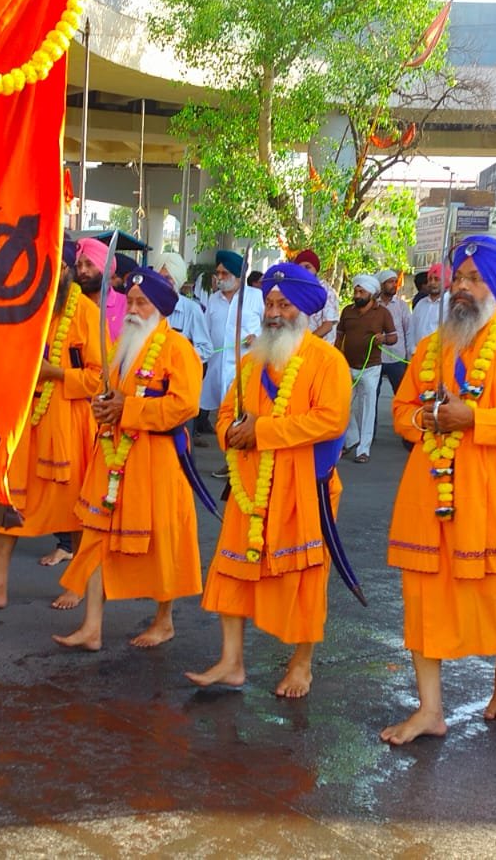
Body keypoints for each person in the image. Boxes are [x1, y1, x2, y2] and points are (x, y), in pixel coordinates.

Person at [380, 236, 496, 745]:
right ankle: (429, 709)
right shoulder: (428, 348)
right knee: (423, 597)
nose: (461, 287)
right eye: (458, 278)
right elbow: (401, 412)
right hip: (428, 492)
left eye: (474, 279)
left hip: (494, 492)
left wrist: (476, 419)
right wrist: (427, 418)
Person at [186, 262, 352, 697]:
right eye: (270, 304)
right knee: (232, 571)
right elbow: (226, 414)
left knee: (304, 581)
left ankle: (301, 665)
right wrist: (231, 433)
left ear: (306, 310)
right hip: (250, 487)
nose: (274, 313)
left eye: (285, 305)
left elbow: (331, 421)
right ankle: (231, 661)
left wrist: (262, 431)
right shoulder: (251, 361)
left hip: (305, 489)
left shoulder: (328, 361)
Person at [54, 270, 204, 650]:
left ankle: (164, 621)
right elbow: (107, 391)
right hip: (113, 456)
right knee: (95, 535)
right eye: (131, 302)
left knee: (162, 542)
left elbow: (184, 406)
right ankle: (92, 627)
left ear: (160, 308)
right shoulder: (122, 345)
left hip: (158, 460)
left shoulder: (178, 349)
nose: (133, 310)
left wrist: (129, 409)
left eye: (142, 303)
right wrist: (103, 408)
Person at [0, 272, 102, 609]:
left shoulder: (86, 312)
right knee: (6, 499)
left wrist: (56, 373)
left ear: (67, 270)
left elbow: (99, 379)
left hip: (67, 422)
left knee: (76, 508)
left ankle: (77, 585)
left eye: (58, 265)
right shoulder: (24, 306)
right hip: (24, 418)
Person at [201, 250, 264, 470]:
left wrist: (258, 338)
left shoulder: (256, 297)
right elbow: (206, 332)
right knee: (225, 417)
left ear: (238, 275)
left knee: (244, 417)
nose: (219, 277)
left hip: (246, 369)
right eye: (217, 273)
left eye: (224, 273)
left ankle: (242, 466)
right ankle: (231, 463)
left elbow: (271, 327)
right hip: (218, 369)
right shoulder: (213, 299)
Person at [334, 273, 398, 464]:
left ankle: (364, 449)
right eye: (356, 291)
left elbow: (393, 337)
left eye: (361, 292)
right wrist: (336, 357)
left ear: (371, 293)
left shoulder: (383, 313)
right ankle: (352, 439)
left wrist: (383, 338)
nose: (357, 295)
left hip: (371, 367)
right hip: (347, 365)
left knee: (368, 409)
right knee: (342, 404)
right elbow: (340, 335)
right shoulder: (347, 311)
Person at [152, 251, 210, 364]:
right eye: (159, 277)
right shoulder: (148, 306)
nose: (162, 282)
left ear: (177, 279)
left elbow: (205, 349)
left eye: (168, 278)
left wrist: (178, 353)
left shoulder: (192, 310)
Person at [71, 236, 126, 340]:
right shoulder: (69, 306)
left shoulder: (126, 306)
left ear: (105, 267)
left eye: (89, 264)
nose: (82, 270)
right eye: (79, 265)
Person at [374, 269, 414, 391]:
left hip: (397, 358)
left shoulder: (401, 305)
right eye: (390, 282)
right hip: (376, 358)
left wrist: (409, 355)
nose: (394, 285)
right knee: (372, 394)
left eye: (395, 282)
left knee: (401, 393)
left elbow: (409, 331)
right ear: (382, 285)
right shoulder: (373, 305)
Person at [292, 249, 339, 343]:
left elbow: (327, 325)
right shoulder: (294, 290)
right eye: (300, 268)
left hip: (319, 347)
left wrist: (307, 342)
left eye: (307, 267)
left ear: (316, 269)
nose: (303, 271)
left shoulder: (326, 291)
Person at [410, 266, 446, 344]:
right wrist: (412, 348)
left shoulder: (451, 305)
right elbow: (411, 329)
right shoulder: (420, 304)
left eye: (436, 279)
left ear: (445, 281)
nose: (432, 283)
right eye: (430, 279)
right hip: (418, 350)